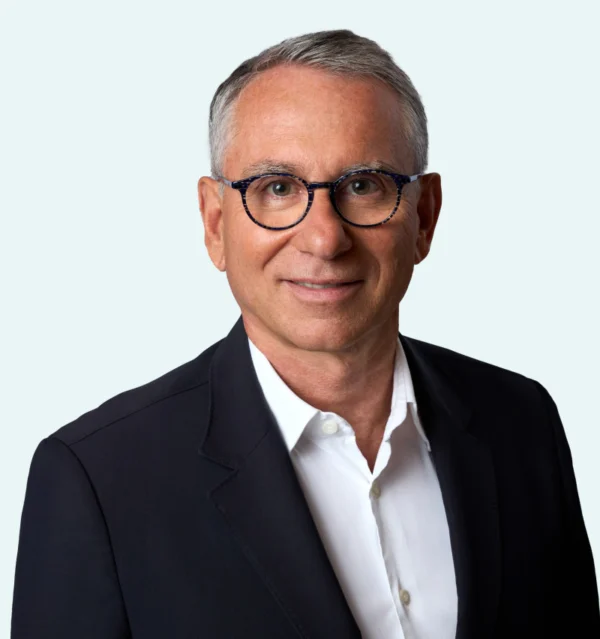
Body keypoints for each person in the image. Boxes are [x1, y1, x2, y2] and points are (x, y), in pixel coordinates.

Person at [11, 29, 599, 639]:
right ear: (215, 223)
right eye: (277, 188)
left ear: (424, 216)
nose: (324, 238)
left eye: (364, 185)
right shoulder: (97, 480)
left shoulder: (521, 421)